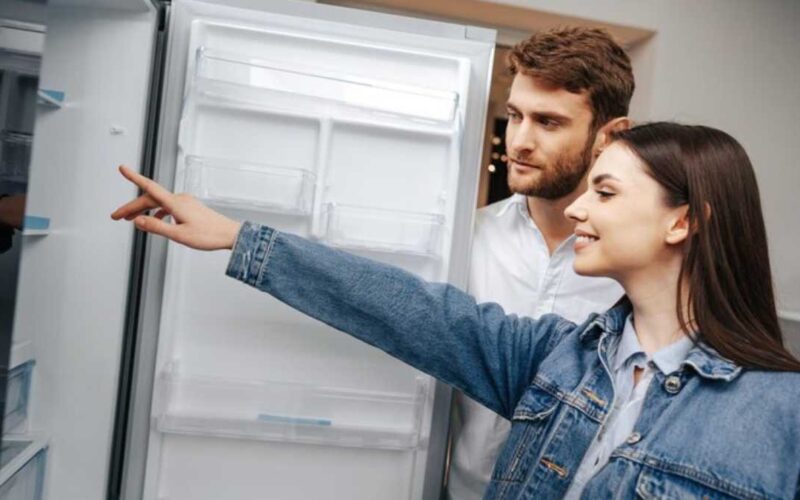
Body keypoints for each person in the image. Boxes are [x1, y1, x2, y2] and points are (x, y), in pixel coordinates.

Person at [112, 122, 800, 499]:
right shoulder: (556, 359)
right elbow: (407, 310)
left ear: (683, 223)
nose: (581, 208)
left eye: (607, 193)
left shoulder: (781, 412)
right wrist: (239, 236)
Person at [454, 27, 632, 499]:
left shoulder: (636, 267)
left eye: (549, 122)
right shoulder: (466, 238)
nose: (520, 141)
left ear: (610, 135)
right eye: (515, 116)